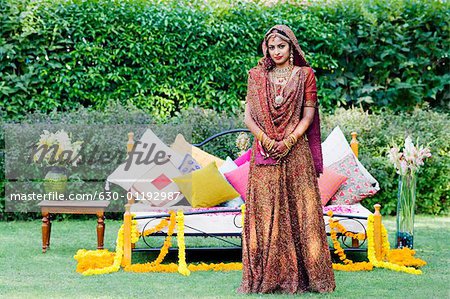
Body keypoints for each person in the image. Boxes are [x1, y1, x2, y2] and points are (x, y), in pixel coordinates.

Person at [237, 24, 336, 294]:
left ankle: (307, 277)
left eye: (282, 46)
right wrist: (268, 141)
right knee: (265, 213)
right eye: (272, 47)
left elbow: (308, 115)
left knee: (301, 211)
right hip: (265, 153)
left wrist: (289, 140)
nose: (277, 51)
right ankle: (267, 277)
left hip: (296, 153)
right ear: (266, 49)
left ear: (291, 47)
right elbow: (248, 117)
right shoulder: (257, 76)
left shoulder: (305, 75)